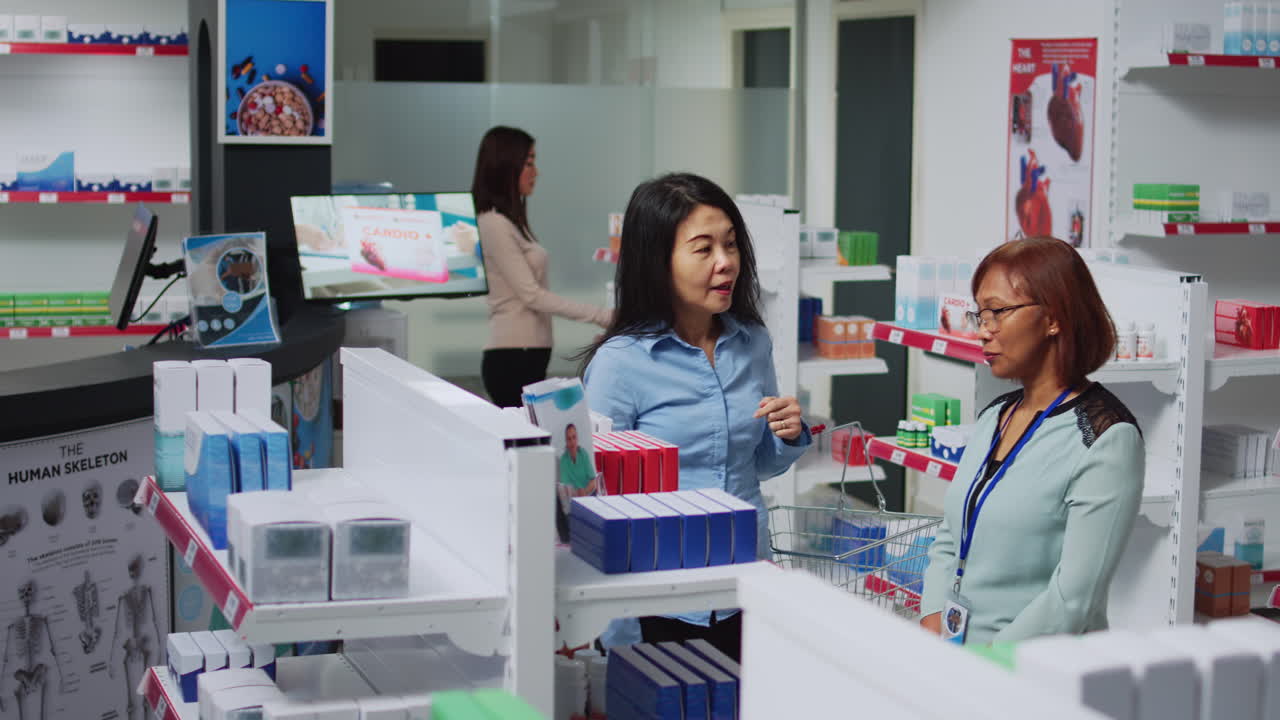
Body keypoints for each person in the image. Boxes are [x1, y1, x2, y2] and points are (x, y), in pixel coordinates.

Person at [581, 172, 811, 660]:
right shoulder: (621, 364)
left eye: (731, 245)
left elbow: (758, 464)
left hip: (747, 579)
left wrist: (789, 433)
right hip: (660, 595)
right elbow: (594, 497)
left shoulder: (751, 342)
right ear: (657, 261)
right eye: (703, 249)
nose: (726, 263)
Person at [919, 237, 1143, 645]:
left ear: (1054, 318)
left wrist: (989, 664)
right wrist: (934, 617)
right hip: (956, 656)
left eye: (998, 312)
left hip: (1032, 672)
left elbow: (1073, 600)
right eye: (980, 314)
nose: (984, 331)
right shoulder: (994, 416)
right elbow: (952, 532)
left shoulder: (1107, 439)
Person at [472, 126, 612, 408]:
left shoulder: (510, 223)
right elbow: (531, 295)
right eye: (529, 163)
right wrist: (602, 315)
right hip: (512, 357)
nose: (536, 172)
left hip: (528, 354)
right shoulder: (494, 224)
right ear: (505, 166)